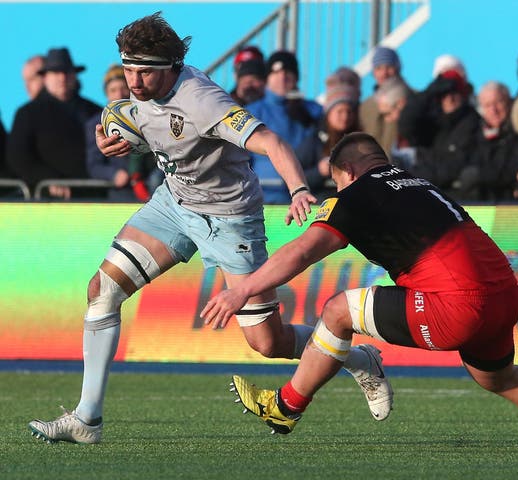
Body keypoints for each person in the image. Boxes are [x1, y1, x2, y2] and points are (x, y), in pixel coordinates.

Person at [28, 13, 390, 445]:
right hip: (173, 204)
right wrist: (111, 138)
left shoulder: (203, 102)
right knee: (101, 290)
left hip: (229, 218)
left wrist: (297, 189)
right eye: (128, 70)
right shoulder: (137, 91)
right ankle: (87, 419)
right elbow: (127, 119)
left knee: (267, 342)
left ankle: (358, 358)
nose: (135, 82)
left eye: (144, 72)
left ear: (170, 68)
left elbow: (272, 142)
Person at [201, 132, 518, 449]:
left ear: (346, 172)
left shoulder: (355, 195)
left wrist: (244, 291)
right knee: (497, 377)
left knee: (337, 312)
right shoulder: (421, 184)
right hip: (504, 295)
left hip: (456, 305)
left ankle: (286, 407)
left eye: (338, 181)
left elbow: (304, 251)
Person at [7, 47, 101, 199]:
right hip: (44, 200)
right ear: (45, 77)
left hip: (98, 198)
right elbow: (17, 157)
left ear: (74, 76)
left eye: (67, 72)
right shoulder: (28, 113)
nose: (62, 78)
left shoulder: (94, 112)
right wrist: (48, 180)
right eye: (56, 72)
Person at [246, 50, 323, 203]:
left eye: (288, 72)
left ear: (296, 77)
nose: (282, 77)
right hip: (262, 196)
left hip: (306, 194)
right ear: (267, 77)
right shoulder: (252, 111)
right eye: (276, 72)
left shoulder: (314, 111)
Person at [85, 64, 160, 202]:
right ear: (106, 93)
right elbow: (94, 165)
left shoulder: (148, 114)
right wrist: (114, 174)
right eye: (113, 90)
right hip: (121, 194)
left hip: (153, 186)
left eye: (123, 88)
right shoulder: (96, 123)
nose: (119, 94)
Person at [399, 69, 480, 197]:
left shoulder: (473, 122)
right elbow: (406, 125)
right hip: (430, 193)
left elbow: (456, 165)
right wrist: (428, 93)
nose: (450, 99)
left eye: (455, 93)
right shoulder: (434, 122)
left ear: (463, 95)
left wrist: (421, 175)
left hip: (456, 197)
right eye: (444, 94)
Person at [296, 76, 360, 200]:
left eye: (349, 111)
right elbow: (293, 177)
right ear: (329, 113)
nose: (345, 116)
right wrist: (319, 172)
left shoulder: (360, 140)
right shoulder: (315, 140)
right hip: (319, 206)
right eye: (340, 111)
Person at [457, 81, 518, 202]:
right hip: (479, 207)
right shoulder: (472, 135)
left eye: (498, 102)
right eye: (487, 105)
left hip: (514, 207)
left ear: (509, 103)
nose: (494, 110)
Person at [359, 46, 410, 156]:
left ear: (398, 68)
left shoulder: (412, 98)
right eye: (379, 68)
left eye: (389, 67)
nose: (384, 73)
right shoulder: (366, 106)